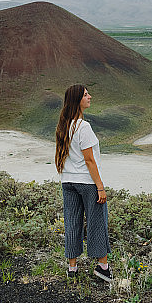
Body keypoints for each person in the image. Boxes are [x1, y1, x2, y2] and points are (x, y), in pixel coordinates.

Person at [54, 84, 112, 282]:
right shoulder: (83, 127)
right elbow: (89, 161)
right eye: (86, 95)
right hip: (86, 183)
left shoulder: (64, 125)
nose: (90, 97)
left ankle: (72, 268)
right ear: (77, 100)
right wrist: (100, 187)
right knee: (97, 221)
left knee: (72, 222)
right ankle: (102, 267)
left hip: (67, 181)